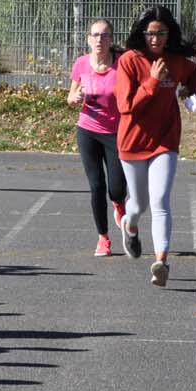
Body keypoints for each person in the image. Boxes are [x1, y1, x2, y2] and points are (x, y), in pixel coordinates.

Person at [114, 5, 196, 289]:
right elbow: (126, 106)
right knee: (139, 205)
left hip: (165, 141)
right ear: (142, 33)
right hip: (132, 142)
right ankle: (129, 225)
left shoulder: (176, 61)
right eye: (150, 33)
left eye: (161, 33)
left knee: (160, 202)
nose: (155, 39)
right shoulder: (130, 61)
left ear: (169, 35)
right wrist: (153, 81)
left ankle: (161, 262)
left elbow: (195, 76)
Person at [67, 19, 128, 257]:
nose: (99, 40)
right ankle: (103, 238)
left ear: (111, 40)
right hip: (88, 131)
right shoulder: (82, 63)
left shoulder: (122, 64)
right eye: (95, 35)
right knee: (96, 186)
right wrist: (74, 98)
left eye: (104, 36)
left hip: (116, 132)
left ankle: (119, 204)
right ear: (88, 39)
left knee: (116, 188)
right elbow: (70, 97)